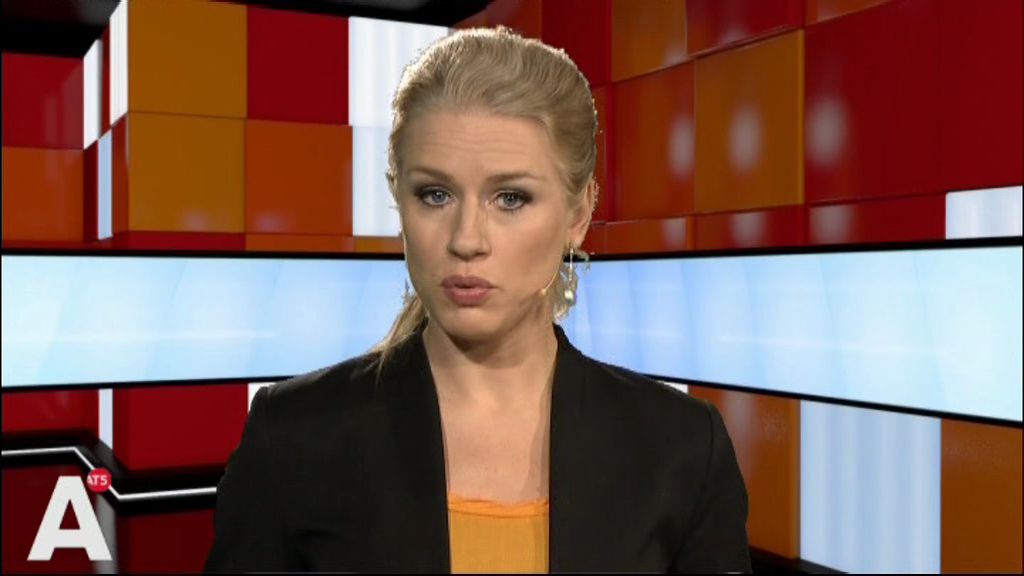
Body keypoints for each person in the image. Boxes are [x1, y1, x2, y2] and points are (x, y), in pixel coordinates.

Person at [205, 25, 750, 573]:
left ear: (579, 213)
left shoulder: (681, 450)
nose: (466, 239)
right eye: (435, 195)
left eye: (510, 198)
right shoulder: (293, 438)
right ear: (399, 201)